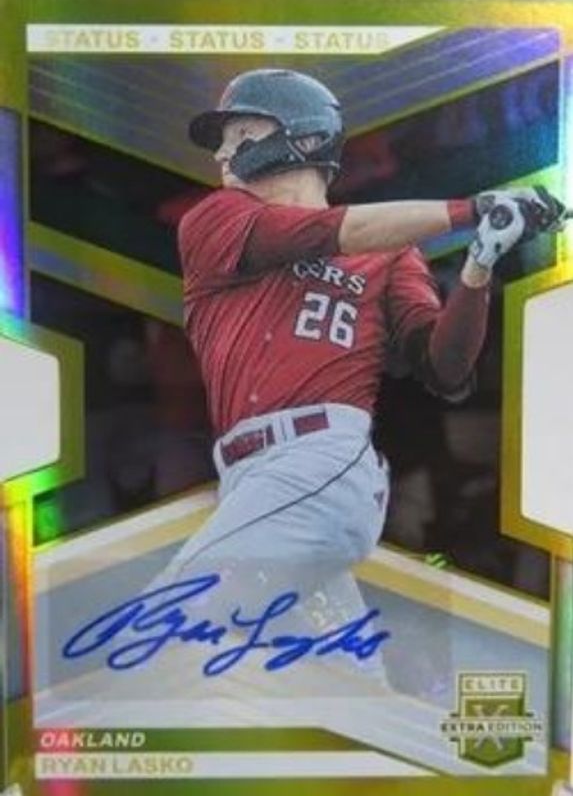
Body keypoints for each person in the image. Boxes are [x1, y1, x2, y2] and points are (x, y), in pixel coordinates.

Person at [152, 68, 565, 688]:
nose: (221, 153)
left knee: (163, 626)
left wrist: (479, 262)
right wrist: (468, 209)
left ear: (299, 137)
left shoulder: (392, 254)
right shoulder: (215, 219)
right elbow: (326, 233)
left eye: (239, 133)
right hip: (250, 477)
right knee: (348, 690)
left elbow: (446, 369)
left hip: (320, 462)